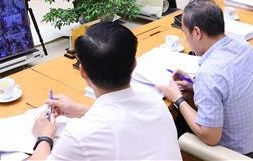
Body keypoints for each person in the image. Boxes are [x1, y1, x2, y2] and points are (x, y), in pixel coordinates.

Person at [30, 22, 181, 161]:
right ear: (135, 64)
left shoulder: (79, 136)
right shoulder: (156, 104)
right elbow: (119, 121)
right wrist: (82, 110)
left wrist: (44, 136)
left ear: (82, 71)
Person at [156, 0, 253, 159]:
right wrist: (195, 86)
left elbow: (210, 137)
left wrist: (178, 99)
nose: (187, 41)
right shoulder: (243, 46)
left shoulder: (210, 73)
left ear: (196, 32)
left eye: (185, 34)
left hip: (237, 154)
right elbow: (229, 87)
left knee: (173, 124)